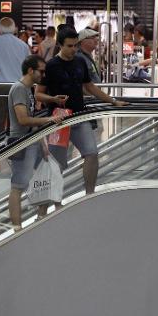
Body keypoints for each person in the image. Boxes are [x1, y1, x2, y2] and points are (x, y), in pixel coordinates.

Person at [35, 25, 128, 197]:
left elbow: (90, 87)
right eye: (69, 46)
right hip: (58, 120)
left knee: (92, 154)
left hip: (79, 116)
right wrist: (53, 100)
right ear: (60, 45)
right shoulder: (51, 66)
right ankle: (54, 203)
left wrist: (113, 101)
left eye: (75, 45)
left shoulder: (80, 62)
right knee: (57, 164)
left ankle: (89, 195)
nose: (73, 49)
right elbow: (38, 94)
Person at [7, 56, 64, 231]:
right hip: (21, 142)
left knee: (45, 176)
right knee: (18, 185)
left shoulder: (27, 89)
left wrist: (42, 141)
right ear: (31, 70)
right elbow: (23, 120)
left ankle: (41, 215)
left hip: (30, 141)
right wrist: (50, 120)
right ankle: (17, 227)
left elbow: (30, 118)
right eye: (41, 71)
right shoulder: (19, 89)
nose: (43, 74)